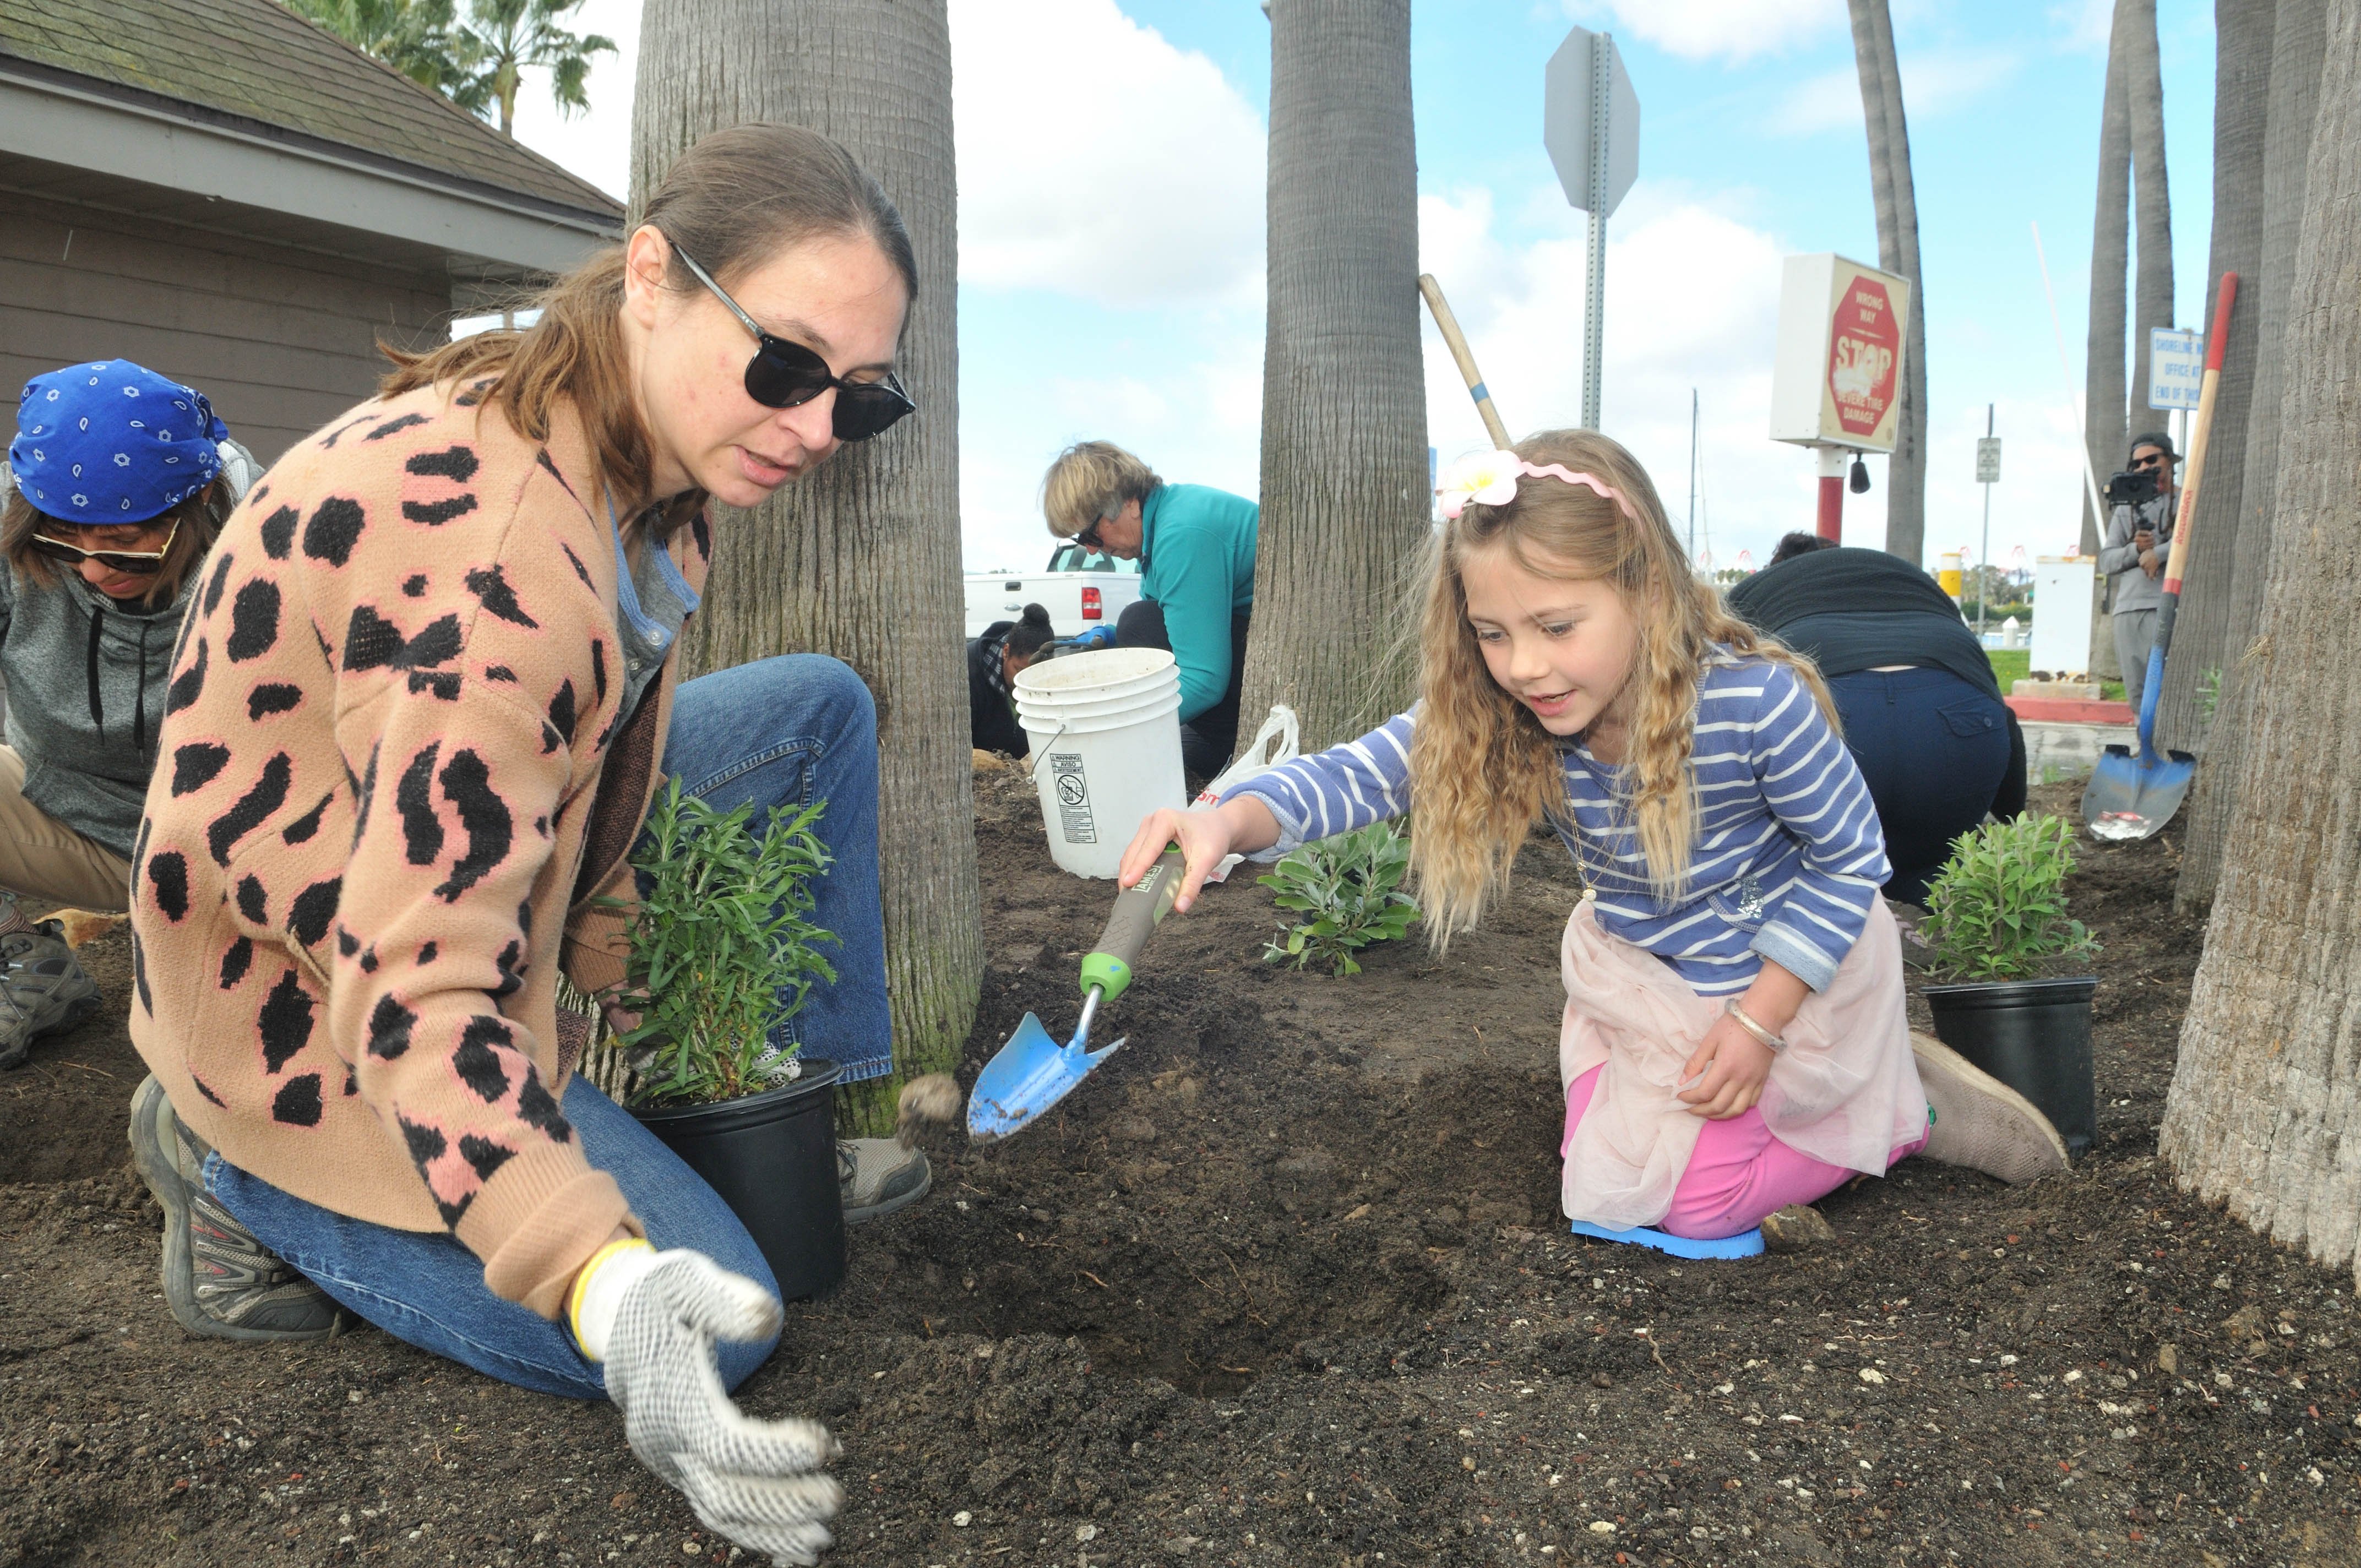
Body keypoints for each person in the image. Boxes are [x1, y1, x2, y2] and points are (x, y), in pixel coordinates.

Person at [121, 124, 938, 1565]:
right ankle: (226, 1170)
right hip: (311, 994)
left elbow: (599, 758)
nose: (815, 430)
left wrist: (612, 984)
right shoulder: (503, 572)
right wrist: (601, 1281)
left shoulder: (653, 475)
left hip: (436, 855)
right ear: (654, 281)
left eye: (858, 404)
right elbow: (412, 980)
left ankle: (782, 1101)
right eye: (790, 365)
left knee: (809, 710)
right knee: (715, 1316)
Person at [1117, 435, 2068, 1248]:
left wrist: (1755, 1020)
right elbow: (1355, 774)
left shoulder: (1750, 704)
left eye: (1556, 624)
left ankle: (1905, 1113)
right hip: (1643, 983)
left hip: (1787, 983)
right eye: (1491, 633)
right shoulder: (1512, 707)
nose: (1524, 664)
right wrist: (1225, 819)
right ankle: (1839, 1106)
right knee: (1601, 1179)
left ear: (1645, 588)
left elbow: (1851, 860)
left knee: (1694, 1206)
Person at [0, 360, 254, 1069]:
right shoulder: (14, 519)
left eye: (124, 541)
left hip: (235, 852)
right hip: (74, 812)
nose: (90, 568)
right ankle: (30, 971)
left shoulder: (268, 559)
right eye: (64, 539)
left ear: (198, 501)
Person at [1727, 544, 2026, 906]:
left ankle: (1843, 905)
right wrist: (2016, 826)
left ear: (1777, 566)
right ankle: (1924, 890)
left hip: (1837, 702)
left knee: (1813, 859)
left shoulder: (1757, 596)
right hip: (1957, 714)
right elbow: (2006, 724)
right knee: (1929, 861)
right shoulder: (1904, 578)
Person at [1041, 442, 1256, 778]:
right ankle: (1220, 745)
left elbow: (1205, 679)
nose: (1093, 550)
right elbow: (1169, 619)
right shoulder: (1157, 534)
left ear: (1129, 501)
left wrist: (1111, 727)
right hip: (1242, 662)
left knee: (1138, 623)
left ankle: (1230, 743)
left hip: (1276, 665)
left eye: (1091, 533)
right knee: (1135, 624)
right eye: (1080, 541)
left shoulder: (1181, 533)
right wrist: (1106, 637)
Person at [2098, 433, 2178, 706]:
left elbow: (2196, 543)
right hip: (2129, 610)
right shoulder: (2126, 508)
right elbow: (2107, 561)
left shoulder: (2186, 500)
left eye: (2152, 459)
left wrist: (2159, 553)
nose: (2145, 467)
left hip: (2170, 606)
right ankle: (2143, 746)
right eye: (2138, 463)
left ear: (2170, 461)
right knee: (2138, 696)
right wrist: (2136, 550)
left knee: (2170, 692)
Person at [969, 601, 1054, 758]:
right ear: (1006, 652)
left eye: (1035, 675)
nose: (1026, 683)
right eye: (1020, 670)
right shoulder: (969, 675)